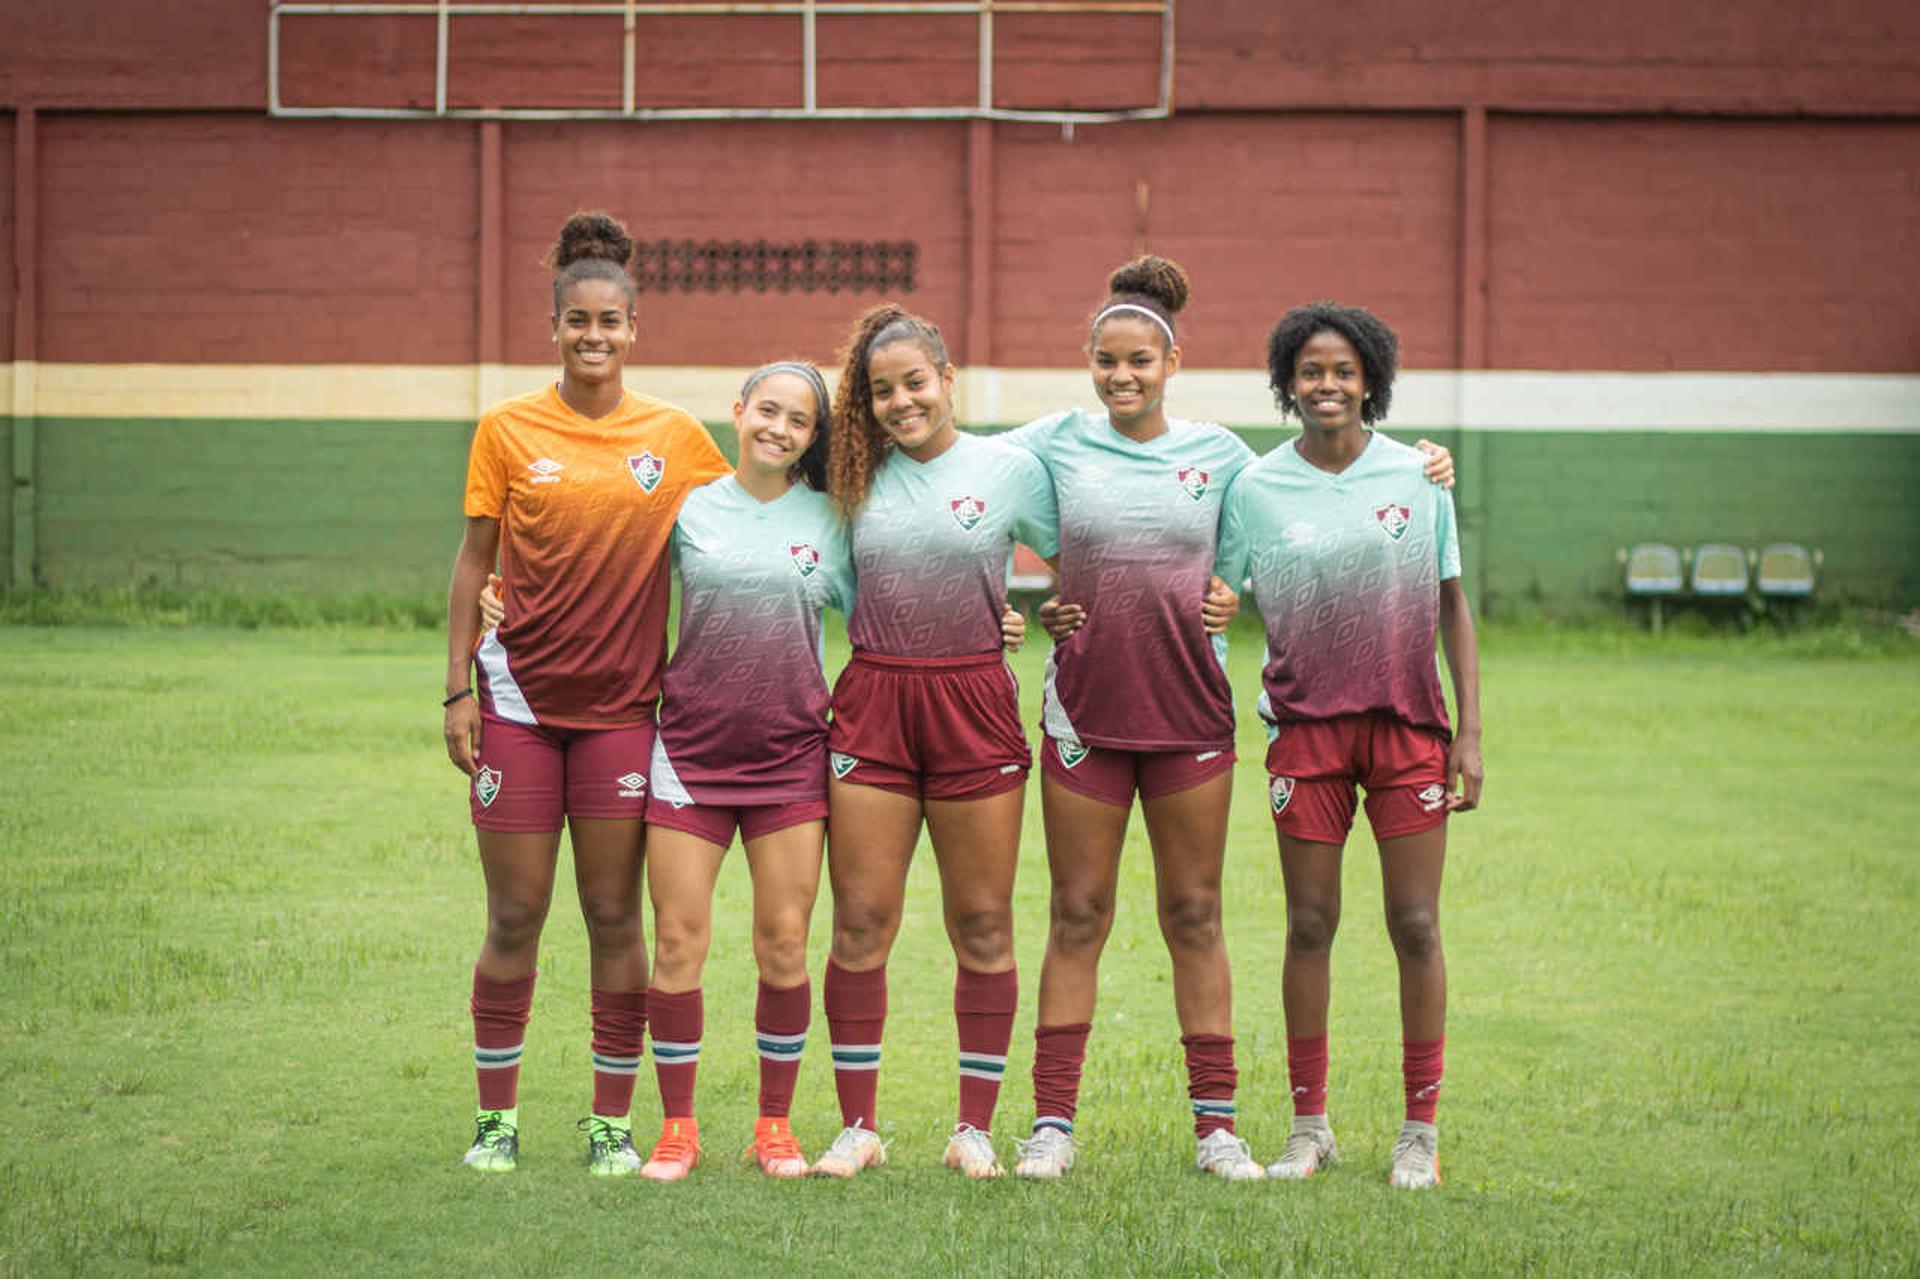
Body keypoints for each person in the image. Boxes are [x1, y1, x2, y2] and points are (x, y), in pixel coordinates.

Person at [1004, 260, 1454, 1181]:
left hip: (1192, 714)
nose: (1121, 375)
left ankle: (1218, 1128)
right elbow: (963, 475)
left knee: (1196, 911)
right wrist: (1034, 602)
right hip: (1083, 712)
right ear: (1088, 363)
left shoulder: (1225, 461)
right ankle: (1051, 1125)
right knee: (1077, 911)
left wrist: (1423, 458)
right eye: (1105, 361)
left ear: (1174, 362)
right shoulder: (1052, 444)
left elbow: (1326, 473)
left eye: (1139, 360)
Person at [442, 211, 731, 1177]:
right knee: (514, 917)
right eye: (579, 321)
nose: (594, 336)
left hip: (621, 717)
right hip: (517, 707)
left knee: (615, 917)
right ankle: (496, 1121)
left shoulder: (679, 440)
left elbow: (741, 535)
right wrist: (455, 690)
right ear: (555, 325)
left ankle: (611, 1122)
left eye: (611, 322)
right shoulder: (508, 429)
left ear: (634, 329)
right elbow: (471, 562)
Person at [1213, 300, 1483, 1190]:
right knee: (1309, 923)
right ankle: (1308, 1126)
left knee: (1414, 923)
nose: (1327, 385)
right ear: (1288, 384)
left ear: (1371, 380)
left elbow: (1451, 604)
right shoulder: (1253, 487)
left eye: (1344, 371)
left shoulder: (1419, 476)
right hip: (1305, 729)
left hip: (1408, 726)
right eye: (1310, 372)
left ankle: (1419, 1131)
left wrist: (1469, 734)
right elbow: (1213, 593)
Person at [807, 304, 1059, 1180]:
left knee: (982, 922)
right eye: (881, 391)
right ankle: (858, 1125)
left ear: (948, 379)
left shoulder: (1010, 468)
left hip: (973, 703)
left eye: (916, 382)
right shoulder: (848, 474)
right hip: (875, 696)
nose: (902, 402)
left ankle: (975, 1128)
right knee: (862, 920)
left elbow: (1084, 556)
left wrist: (1040, 610)